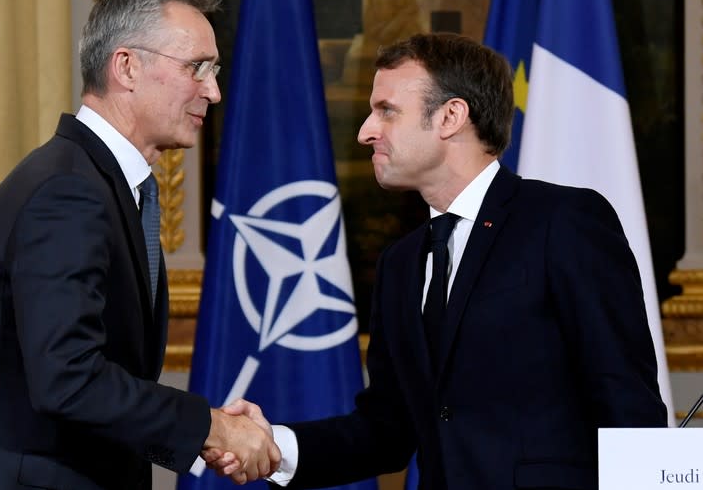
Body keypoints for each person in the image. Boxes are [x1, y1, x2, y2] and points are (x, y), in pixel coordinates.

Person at [208, 32, 667, 489]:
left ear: (451, 116)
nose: (366, 131)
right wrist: (275, 445)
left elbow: (629, 404)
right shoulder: (400, 265)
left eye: (386, 111)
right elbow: (386, 431)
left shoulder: (563, 221)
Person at [0, 0, 279, 490]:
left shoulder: (97, 183)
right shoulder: (66, 194)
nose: (212, 91)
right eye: (197, 68)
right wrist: (211, 428)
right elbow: (68, 379)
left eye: (214, 69)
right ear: (126, 66)